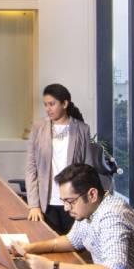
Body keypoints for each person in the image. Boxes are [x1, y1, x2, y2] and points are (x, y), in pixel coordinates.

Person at [23, 83, 95, 236]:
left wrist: (87, 205)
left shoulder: (82, 129)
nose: (48, 109)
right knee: (47, 242)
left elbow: (88, 169)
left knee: (74, 248)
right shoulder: (38, 128)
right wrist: (33, 205)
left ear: (64, 103)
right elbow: (31, 169)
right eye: (45, 105)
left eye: (52, 104)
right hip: (45, 203)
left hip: (73, 203)